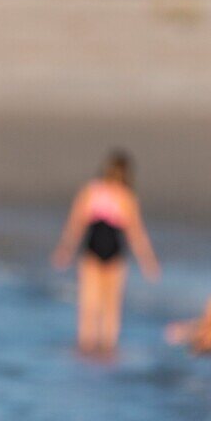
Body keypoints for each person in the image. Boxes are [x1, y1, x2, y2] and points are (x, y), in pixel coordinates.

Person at [53, 150, 160, 355]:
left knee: (92, 305)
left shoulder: (95, 192)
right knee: (106, 306)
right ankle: (105, 348)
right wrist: (148, 262)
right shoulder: (122, 196)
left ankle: (89, 346)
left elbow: (75, 225)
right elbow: (136, 234)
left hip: (97, 251)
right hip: (108, 252)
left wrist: (65, 250)